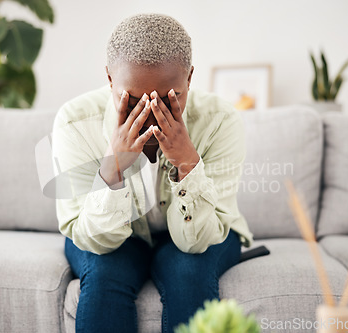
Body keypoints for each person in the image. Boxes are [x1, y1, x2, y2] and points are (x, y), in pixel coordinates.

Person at [51, 13, 254, 333]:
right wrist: (113, 167)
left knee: (189, 272)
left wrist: (188, 162)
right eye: (131, 99)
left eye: (168, 99)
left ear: (189, 79)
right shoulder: (75, 122)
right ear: (109, 79)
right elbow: (94, 239)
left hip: (203, 230)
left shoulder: (220, 121)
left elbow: (197, 241)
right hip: (108, 236)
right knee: (105, 273)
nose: (149, 115)